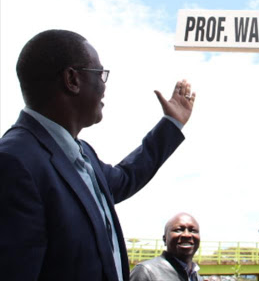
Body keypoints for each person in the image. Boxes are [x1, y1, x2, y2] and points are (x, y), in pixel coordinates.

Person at [0, 29, 196, 281]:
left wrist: (171, 124)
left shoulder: (83, 155)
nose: (104, 86)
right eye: (100, 74)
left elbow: (126, 177)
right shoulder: (14, 163)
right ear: (72, 79)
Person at [130, 213, 202, 281]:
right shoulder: (146, 272)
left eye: (193, 231)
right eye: (179, 230)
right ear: (164, 239)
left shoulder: (196, 277)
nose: (187, 235)